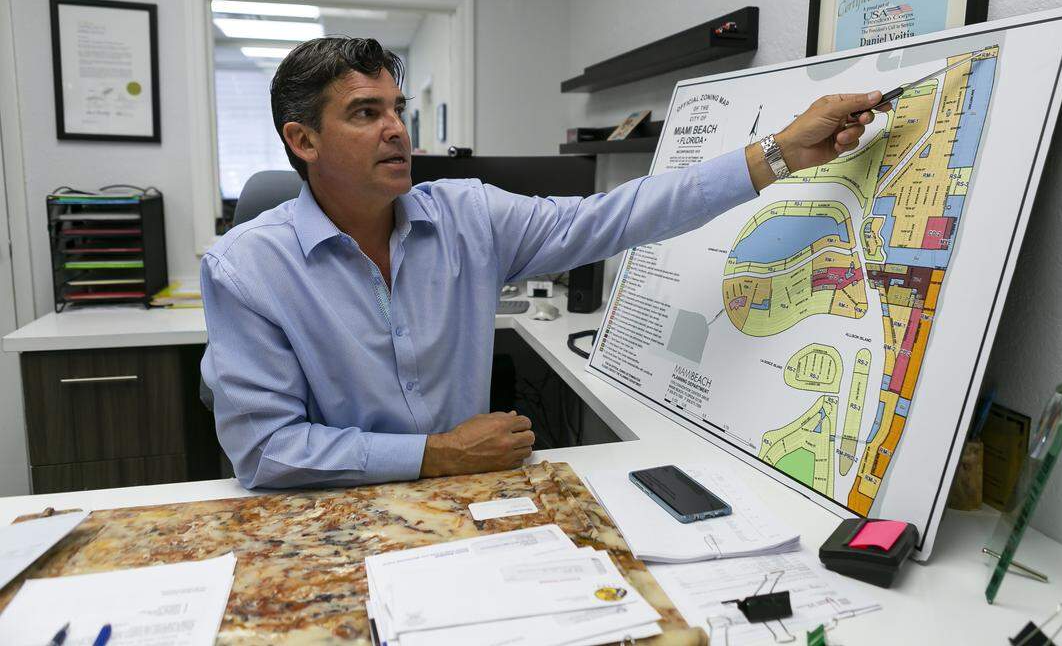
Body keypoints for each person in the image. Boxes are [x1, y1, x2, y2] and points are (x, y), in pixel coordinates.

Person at [201, 37, 884, 489]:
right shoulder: (246, 270)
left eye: (397, 109)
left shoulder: (467, 215)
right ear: (304, 140)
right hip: (332, 517)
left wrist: (781, 154)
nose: (396, 129)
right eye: (364, 113)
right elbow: (266, 452)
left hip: (467, 502)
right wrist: (438, 455)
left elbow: (618, 215)